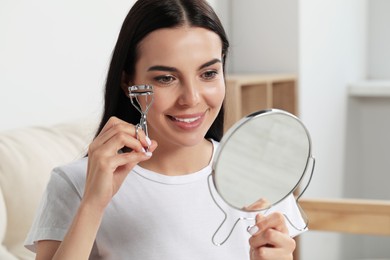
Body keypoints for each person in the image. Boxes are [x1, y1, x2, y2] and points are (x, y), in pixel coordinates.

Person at [25, 0, 304, 259]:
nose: (191, 99)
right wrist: (93, 205)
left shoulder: (261, 174)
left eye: (208, 74)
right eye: (166, 78)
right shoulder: (76, 183)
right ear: (128, 82)